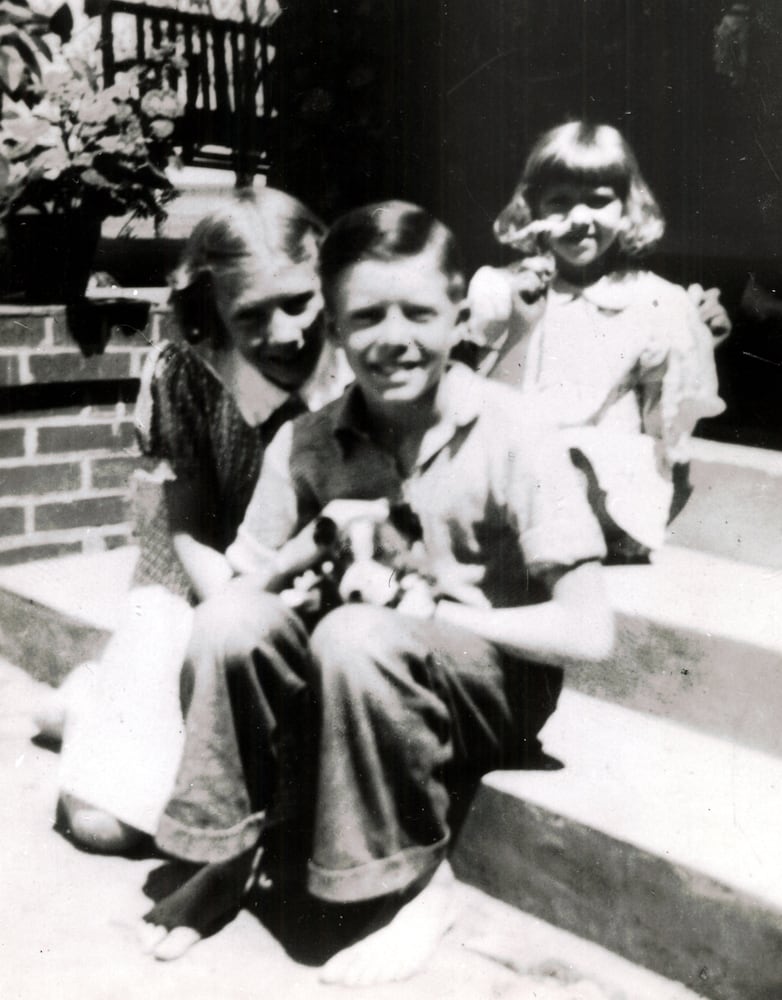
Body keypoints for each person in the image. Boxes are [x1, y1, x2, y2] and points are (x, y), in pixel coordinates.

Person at [137, 201, 615, 984]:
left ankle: (413, 887)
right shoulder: (307, 441)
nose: (394, 337)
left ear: (459, 311)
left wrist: (444, 610)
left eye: (420, 312)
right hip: (358, 676)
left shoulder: (514, 429)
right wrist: (314, 543)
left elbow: (589, 632)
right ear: (338, 321)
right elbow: (239, 593)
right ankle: (221, 855)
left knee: (354, 633)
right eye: (366, 316)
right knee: (231, 620)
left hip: (491, 690)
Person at [51, 188, 353, 853]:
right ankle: (87, 704)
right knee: (103, 826)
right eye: (251, 315)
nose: (285, 334)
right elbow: (184, 528)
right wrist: (234, 610)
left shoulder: (360, 363)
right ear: (211, 312)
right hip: (200, 584)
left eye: (300, 302)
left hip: (313, 594)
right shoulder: (186, 370)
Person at [467, 121, 726, 560]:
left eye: (599, 201)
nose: (579, 219)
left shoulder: (655, 300)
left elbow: (659, 427)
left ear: (628, 207)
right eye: (559, 203)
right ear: (532, 209)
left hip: (604, 478)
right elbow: (485, 407)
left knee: (569, 467)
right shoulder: (504, 290)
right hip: (516, 467)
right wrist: (522, 326)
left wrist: (694, 346)